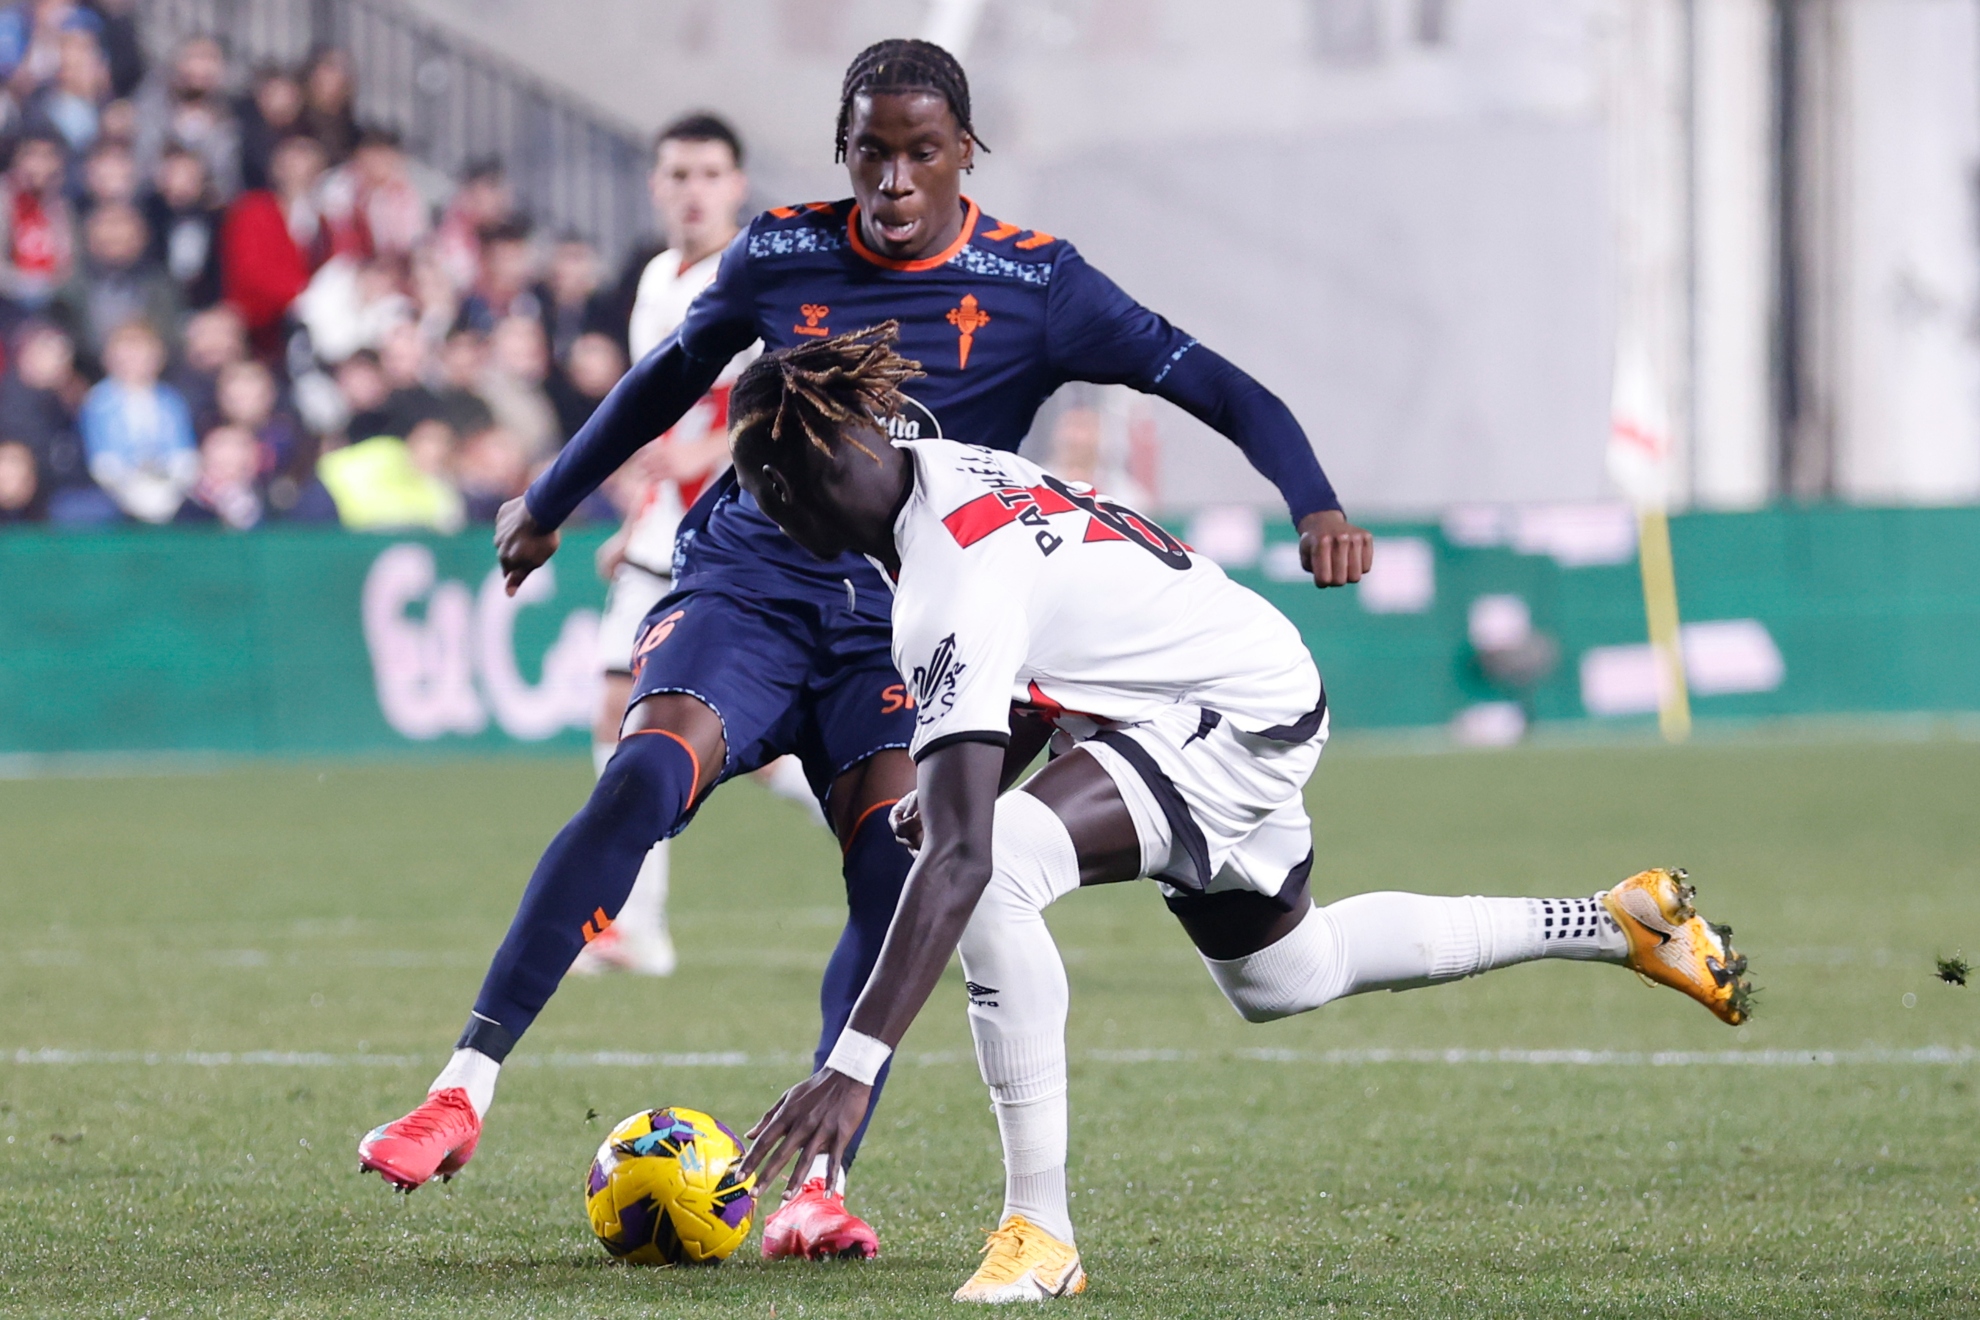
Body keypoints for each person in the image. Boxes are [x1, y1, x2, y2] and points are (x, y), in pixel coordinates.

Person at [356, 39, 1372, 1266]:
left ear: (965, 155)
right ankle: (462, 1086)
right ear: (844, 154)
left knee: (899, 864)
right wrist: (551, 497)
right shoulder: (780, 250)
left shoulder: (1038, 285)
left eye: (920, 154)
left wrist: (1313, 498)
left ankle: (818, 1184)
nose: (893, 183)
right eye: (871, 154)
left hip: (904, 622)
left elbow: (1216, 386)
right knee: (638, 776)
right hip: (749, 585)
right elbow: (666, 378)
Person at [730, 328, 1756, 1302]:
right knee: (1286, 974)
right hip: (1227, 678)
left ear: (780, 490)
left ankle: (1038, 1233)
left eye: (749, 492)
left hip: (1219, 712)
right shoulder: (955, 465)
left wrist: (851, 1067)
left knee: (990, 875)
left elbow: (956, 858)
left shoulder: (945, 586)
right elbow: (1049, 652)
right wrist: (972, 789)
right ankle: (1615, 921)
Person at [575, 110, 756, 980]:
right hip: (665, 530)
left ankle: (912, 844)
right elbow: (662, 413)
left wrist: (708, 455)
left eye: (709, 174)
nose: (693, 190)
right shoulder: (655, 280)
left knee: (756, 748)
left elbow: (781, 398)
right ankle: (628, 925)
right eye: (678, 174)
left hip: (738, 532)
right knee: (621, 708)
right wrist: (636, 515)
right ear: (656, 185)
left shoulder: (753, 274)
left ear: (738, 184)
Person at [79, 318, 196, 523]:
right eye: (125, 356)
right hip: (116, 491)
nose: (132, 362)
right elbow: (102, 461)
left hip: (168, 488)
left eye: (140, 354)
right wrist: (130, 487)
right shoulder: (97, 402)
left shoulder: (171, 401)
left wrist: (171, 484)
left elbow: (183, 453)